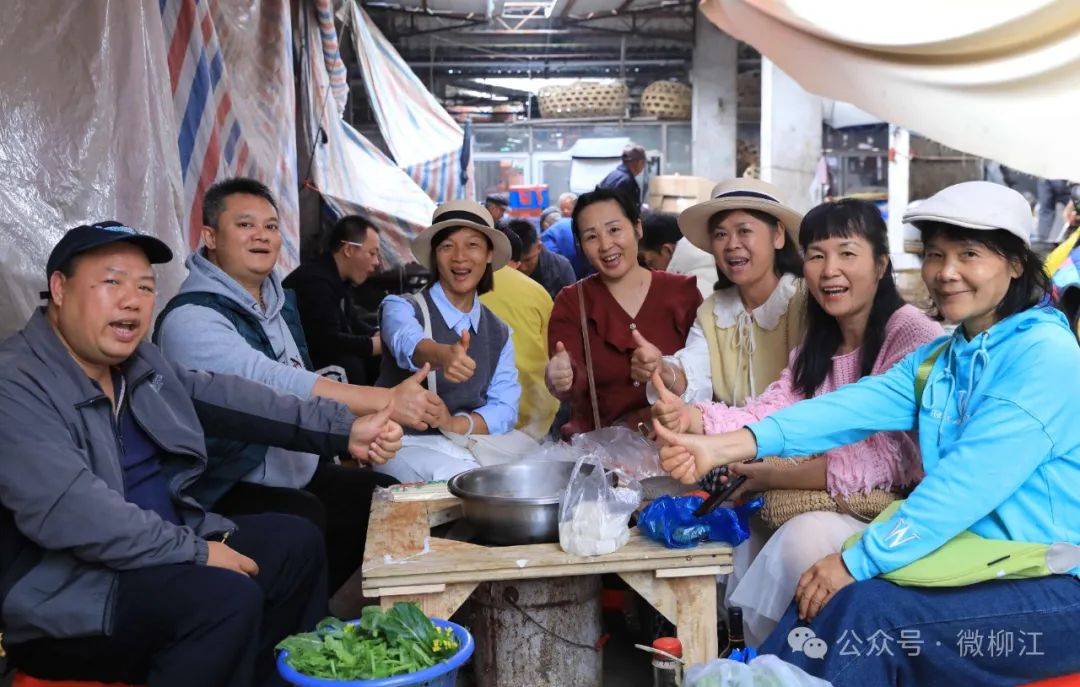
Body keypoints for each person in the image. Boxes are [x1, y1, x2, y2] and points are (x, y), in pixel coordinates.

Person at [656, 181, 1080, 686]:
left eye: (969, 254)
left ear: (1014, 264)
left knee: (867, 609)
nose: (946, 272)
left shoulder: (1042, 356)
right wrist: (718, 446)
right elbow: (842, 410)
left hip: (1056, 584)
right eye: (935, 254)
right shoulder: (944, 359)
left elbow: (963, 488)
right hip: (979, 562)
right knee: (837, 598)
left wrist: (858, 559)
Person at [0, 221, 401, 686]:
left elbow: (229, 397)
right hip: (71, 593)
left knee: (295, 543)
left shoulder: (138, 364)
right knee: (224, 599)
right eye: (112, 282)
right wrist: (195, 551)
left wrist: (343, 429)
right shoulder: (17, 384)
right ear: (60, 288)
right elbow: (76, 514)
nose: (132, 300)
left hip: (158, 549)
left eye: (145, 286)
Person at [652, 199, 943, 644]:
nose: (829, 270)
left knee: (800, 537)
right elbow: (774, 409)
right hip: (842, 501)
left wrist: (772, 474)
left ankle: (792, 660)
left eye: (847, 253)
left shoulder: (911, 333)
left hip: (906, 518)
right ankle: (755, 655)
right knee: (737, 523)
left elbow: (889, 459)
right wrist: (694, 417)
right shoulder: (819, 340)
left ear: (881, 264)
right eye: (817, 255)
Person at [155, 178, 437, 594]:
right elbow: (274, 385)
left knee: (383, 498)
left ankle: (334, 608)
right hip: (222, 481)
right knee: (305, 516)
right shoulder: (191, 319)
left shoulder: (277, 302)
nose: (262, 236)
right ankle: (300, 619)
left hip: (295, 469)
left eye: (271, 226)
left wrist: (351, 438)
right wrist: (383, 401)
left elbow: (305, 377)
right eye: (245, 225)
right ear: (210, 237)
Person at [377, 200, 521, 482]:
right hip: (401, 443)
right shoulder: (401, 307)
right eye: (447, 246)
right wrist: (443, 355)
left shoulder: (499, 332)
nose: (459, 257)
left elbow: (505, 408)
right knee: (465, 480)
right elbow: (408, 343)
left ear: (489, 254)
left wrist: (454, 423)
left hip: (467, 444)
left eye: (472, 245)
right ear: (435, 255)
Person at [639, 179, 807, 413]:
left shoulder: (805, 300)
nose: (731, 244)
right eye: (720, 234)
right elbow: (695, 376)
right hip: (729, 436)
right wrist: (662, 370)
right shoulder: (712, 312)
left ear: (778, 235)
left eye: (744, 231)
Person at [544, 188, 701, 437]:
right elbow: (571, 386)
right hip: (599, 451)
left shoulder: (683, 293)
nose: (606, 245)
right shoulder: (572, 302)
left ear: (637, 228)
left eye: (614, 229)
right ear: (581, 246)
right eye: (591, 236)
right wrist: (560, 377)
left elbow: (704, 378)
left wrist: (664, 369)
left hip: (676, 446)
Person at [282, 214, 382, 385]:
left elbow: (353, 324)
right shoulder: (315, 282)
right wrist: (375, 344)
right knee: (350, 365)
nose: (376, 262)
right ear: (348, 250)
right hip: (295, 370)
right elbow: (327, 341)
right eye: (372, 253)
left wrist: (377, 334)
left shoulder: (337, 279)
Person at [480, 227, 559, 439]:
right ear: (515, 261)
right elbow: (552, 353)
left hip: (473, 418)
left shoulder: (458, 286)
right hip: (532, 415)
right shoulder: (537, 291)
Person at [638, 210, 717, 299]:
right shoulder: (706, 264)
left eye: (651, 263)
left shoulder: (695, 289)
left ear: (667, 251)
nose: (651, 270)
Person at [509, 218, 575, 300]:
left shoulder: (562, 269)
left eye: (528, 260)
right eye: (515, 260)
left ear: (539, 247)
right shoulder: (496, 267)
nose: (522, 267)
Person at [598, 143, 647, 209]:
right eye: (644, 163)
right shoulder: (628, 182)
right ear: (639, 162)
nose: (643, 166)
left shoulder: (612, 175)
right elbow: (629, 211)